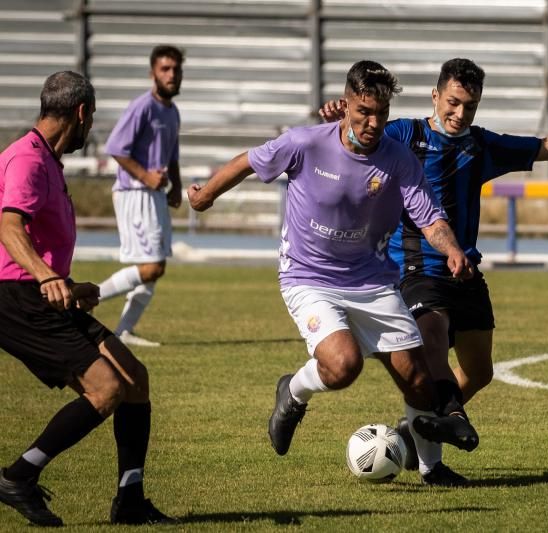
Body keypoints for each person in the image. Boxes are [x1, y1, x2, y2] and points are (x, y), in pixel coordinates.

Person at [319, 58, 548, 485]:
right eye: (453, 103)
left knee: (479, 371)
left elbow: (545, 146)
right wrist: (334, 116)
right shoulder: (404, 135)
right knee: (432, 344)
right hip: (416, 269)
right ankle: (442, 438)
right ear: (435, 96)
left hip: (465, 272)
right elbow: (360, 134)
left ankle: (419, 425)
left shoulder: (480, 146)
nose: (459, 114)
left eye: (469, 107)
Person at [187, 60, 481, 475]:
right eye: (364, 111)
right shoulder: (306, 143)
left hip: (373, 280)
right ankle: (293, 391)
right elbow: (249, 161)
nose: (373, 122)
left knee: (417, 379)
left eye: (381, 113)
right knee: (343, 366)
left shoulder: (398, 160)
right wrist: (206, 196)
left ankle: (432, 469)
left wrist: (451, 250)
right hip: (309, 277)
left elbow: (430, 218)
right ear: (345, 106)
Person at [0, 71, 173, 527]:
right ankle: (19, 475)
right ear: (81, 113)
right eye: (92, 118)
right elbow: (9, 227)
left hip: (39, 290)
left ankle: (130, 498)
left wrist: (69, 285)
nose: (91, 127)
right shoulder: (27, 161)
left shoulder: (45, 161)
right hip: (15, 296)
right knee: (107, 388)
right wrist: (45, 278)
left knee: (134, 378)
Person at [97, 45, 185, 347]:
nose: (171, 75)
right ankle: (88, 297)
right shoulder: (142, 107)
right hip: (135, 193)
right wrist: (146, 175)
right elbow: (116, 148)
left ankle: (123, 331)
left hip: (156, 195)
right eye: (165, 69)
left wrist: (175, 185)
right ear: (153, 73)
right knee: (151, 267)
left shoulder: (172, 112)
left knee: (155, 266)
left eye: (175, 69)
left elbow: (171, 156)